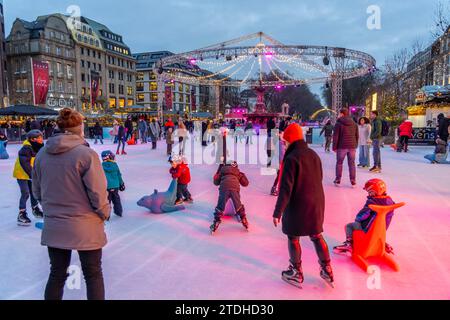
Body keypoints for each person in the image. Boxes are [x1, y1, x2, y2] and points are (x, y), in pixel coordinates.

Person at [32, 107, 110, 300]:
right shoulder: (86, 155)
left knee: (57, 274)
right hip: (85, 225)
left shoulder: (42, 154)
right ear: (80, 128)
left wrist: (51, 209)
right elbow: (98, 193)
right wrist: (104, 212)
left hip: (55, 224)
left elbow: (37, 191)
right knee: (92, 275)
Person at [272, 123, 334, 288]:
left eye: (285, 141)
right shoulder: (313, 154)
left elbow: (286, 189)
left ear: (290, 140)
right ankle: (327, 268)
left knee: (293, 236)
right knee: (316, 234)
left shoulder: (292, 158)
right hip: (316, 202)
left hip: (298, 203)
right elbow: (319, 177)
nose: (284, 145)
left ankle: (296, 271)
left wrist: (278, 212)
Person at [333, 179, 396, 255]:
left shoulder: (372, 202)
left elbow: (362, 216)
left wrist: (357, 220)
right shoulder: (390, 202)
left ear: (375, 191)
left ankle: (349, 245)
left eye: (370, 192)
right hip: (381, 230)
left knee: (349, 226)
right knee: (376, 232)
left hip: (367, 228)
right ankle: (383, 243)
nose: (369, 194)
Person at [13, 130, 45, 226]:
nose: (41, 139)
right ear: (33, 139)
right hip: (22, 174)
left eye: (41, 137)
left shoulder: (38, 147)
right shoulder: (26, 148)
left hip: (31, 173)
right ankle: (21, 214)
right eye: (39, 138)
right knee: (25, 193)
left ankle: (35, 209)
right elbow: (25, 164)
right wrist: (33, 175)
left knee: (33, 191)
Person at [210, 161, 249, 233]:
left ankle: (217, 220)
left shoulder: (222, 171)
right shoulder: (237, 172)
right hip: (234, 188)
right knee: (238, 204)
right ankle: (243, 218)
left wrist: (217, 175)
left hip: (224, 188)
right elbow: (246, 183)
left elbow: (216, 183)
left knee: (220, 205)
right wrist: (242, 175)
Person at [332, 108, 359, 187]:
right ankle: (353, 181)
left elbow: (336, 136)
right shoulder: (354, 123)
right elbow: (357, 135)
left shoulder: (338, 123)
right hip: (352, 146)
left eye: (339, 113)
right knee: (352, 164)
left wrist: (334, 147)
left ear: (342, 114)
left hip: (342, 146)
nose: (338, 115)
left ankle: (338, 180)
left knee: (339, 163)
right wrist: (355, 144)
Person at [102, 150, 125, 217]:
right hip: (115, 186)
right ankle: (119, 212)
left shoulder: (101, 166)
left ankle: (107, 215)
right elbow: (119, 175)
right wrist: (122, 183)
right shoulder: (115, 165)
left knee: (107, 201)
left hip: (107, 187)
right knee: (116, 199)